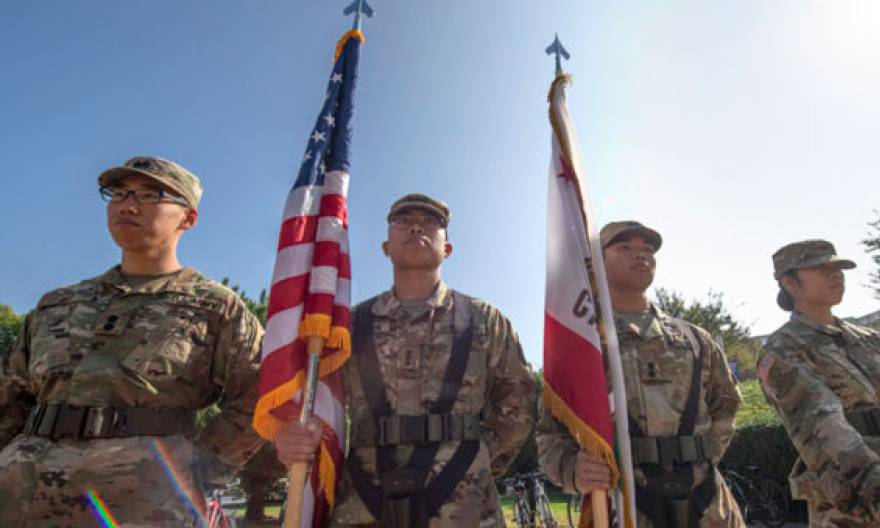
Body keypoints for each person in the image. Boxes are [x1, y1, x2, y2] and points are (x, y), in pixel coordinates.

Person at [0, 156, 265, 526]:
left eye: (150, 194)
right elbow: (11, 396)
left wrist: (201, 467)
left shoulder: (216, 307)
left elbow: (260, 396)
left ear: (188, 218)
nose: (128, 205)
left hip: (142, 504)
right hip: (21, 498)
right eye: (119, 193)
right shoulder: (58, 303)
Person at [275, 193, 535, 528]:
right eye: (403, 221)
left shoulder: (483, 319)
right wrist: (292, 435)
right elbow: (316, 403)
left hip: (465, 507)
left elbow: (518, 404)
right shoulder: (346, 327)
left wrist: (475, 461)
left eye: (430, 222)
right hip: (363, 503)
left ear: (447, 248)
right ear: (386, 247)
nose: (416, 227)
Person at [537, 220, 744, 527]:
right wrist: (571, 468)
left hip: (707, 506)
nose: (641, 254)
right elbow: (549, 431)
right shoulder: (582, 344)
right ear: (596, 262)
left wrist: (702, 457)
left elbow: (726, 403)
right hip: (623, 505)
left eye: (648, 249)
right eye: (624, 247)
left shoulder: (694, 338)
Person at [757, 239, 880, 526]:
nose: (835, 274)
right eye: (821, 268)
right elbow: (823, 429)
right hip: (852, 504)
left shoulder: (869, 339)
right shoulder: (782, 350)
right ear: (789, 282)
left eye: (837, 268)